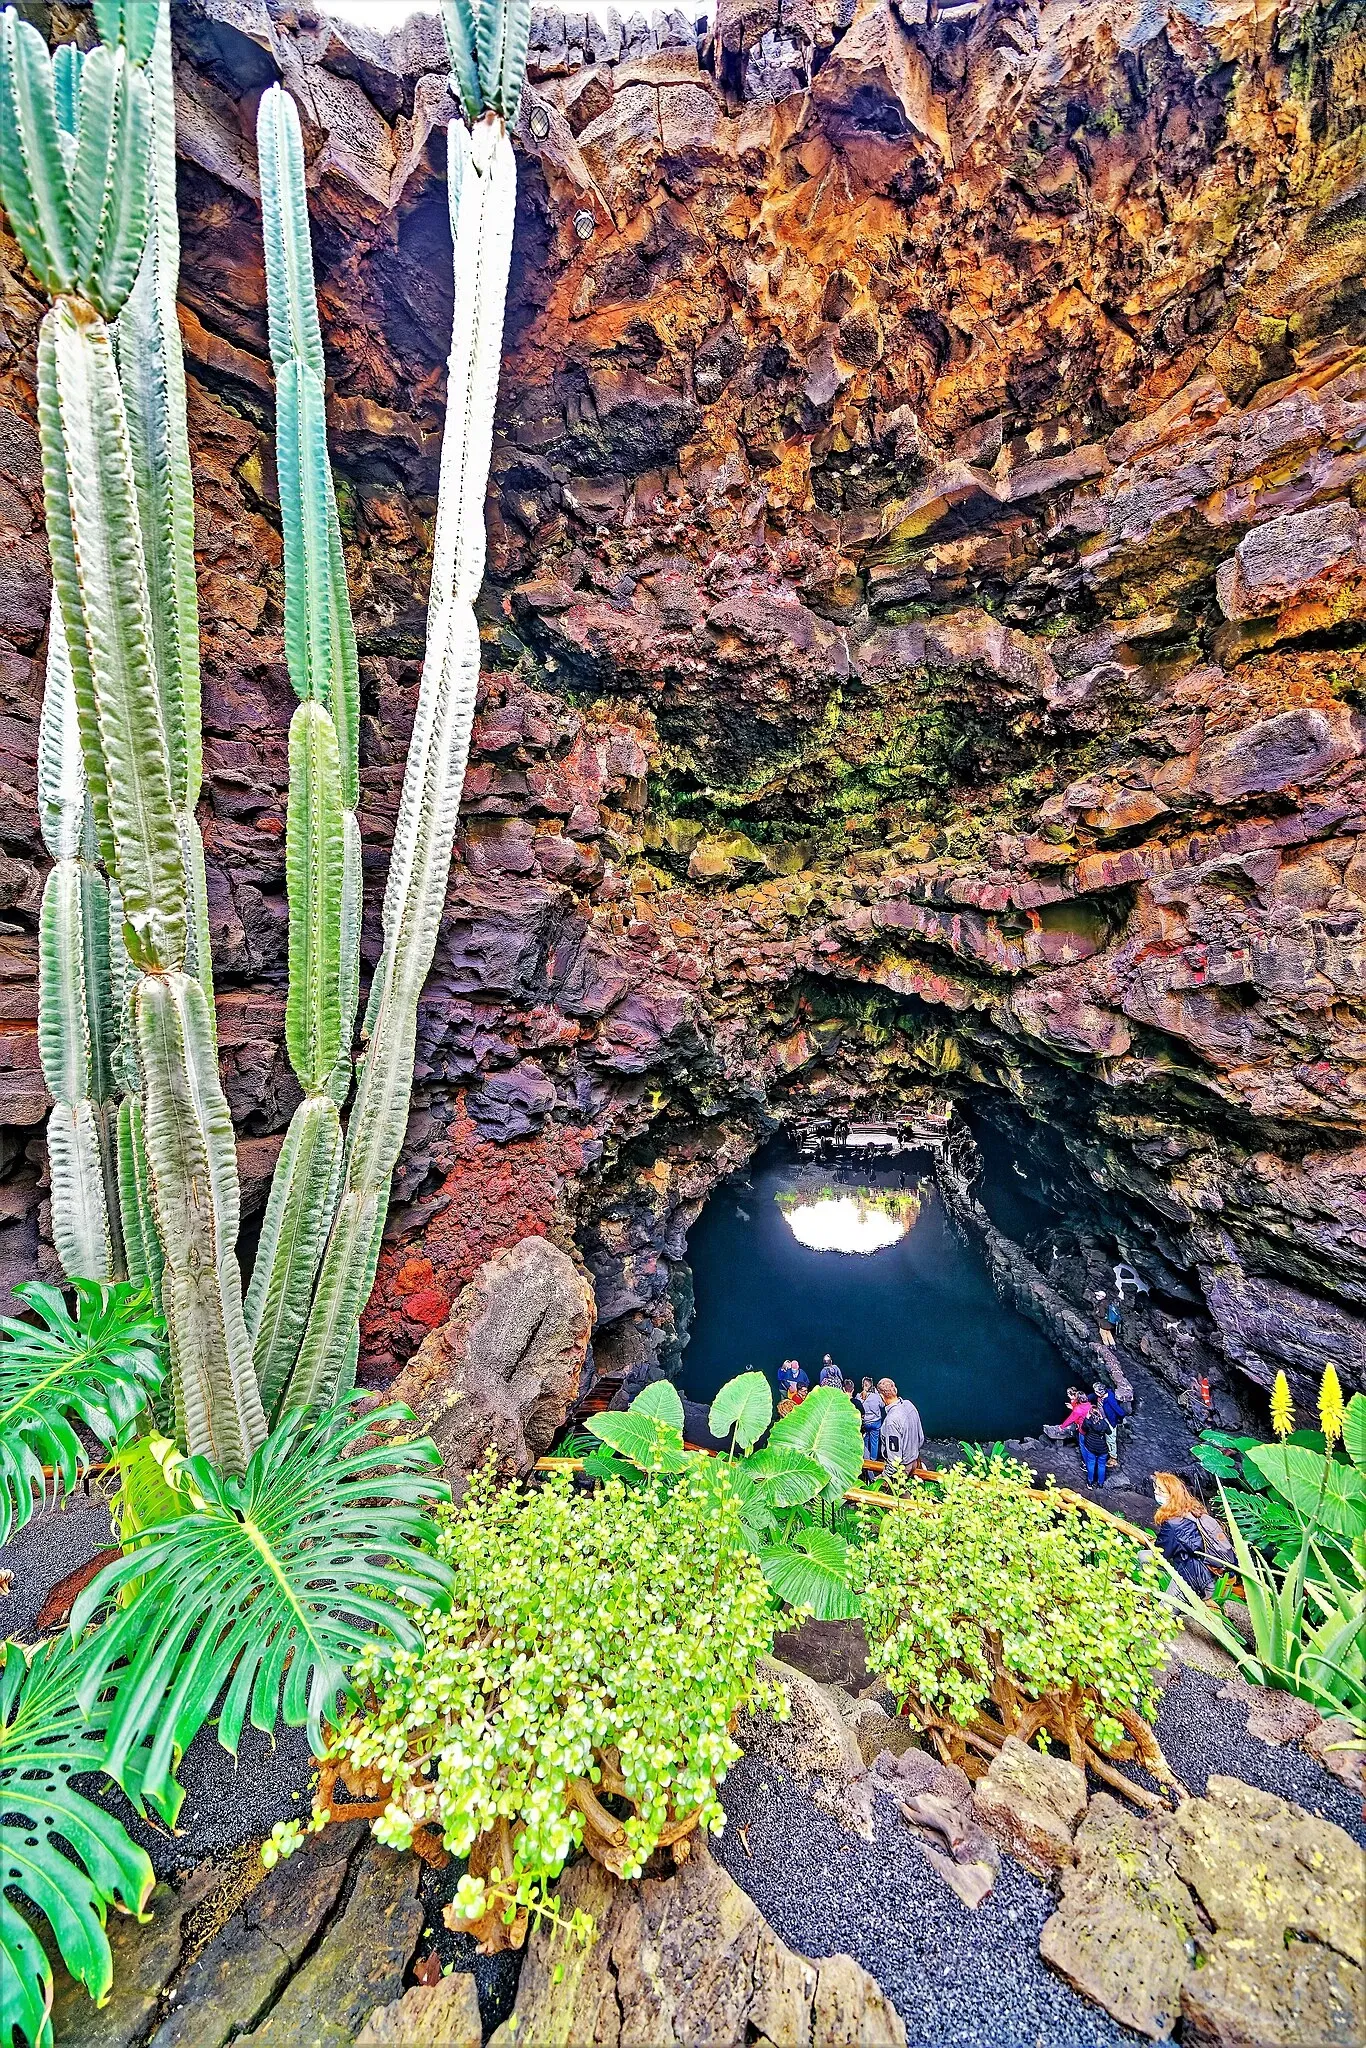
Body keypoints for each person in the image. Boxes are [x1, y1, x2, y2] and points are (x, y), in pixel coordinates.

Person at [1152, 1473, 1236, 1596]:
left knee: (1163, 1612)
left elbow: (1161, 1553)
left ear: (1173, 1496)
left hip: (1195, 1578)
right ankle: (1152, 1592)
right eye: (1156, 1488)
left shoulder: (1173, 1523)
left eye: (1161, 1491)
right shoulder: (1193, 1510)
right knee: (1145, 1556)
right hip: (1210, 1573)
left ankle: (1153, 1593)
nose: (1156, 1492)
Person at [879, 1377, 924, 1473]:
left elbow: (894, 1459)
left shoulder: (891, 1421)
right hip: (915, 1462)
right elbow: (921, 1438)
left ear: (882, 1397)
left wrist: (885, 1477)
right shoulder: (910, 1405)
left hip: (902, 1470)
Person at [1092, 1381, 1128, 1466]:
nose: (1095, 1393)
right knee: (1105, 1436)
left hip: (1109, 1421)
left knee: (1111, 1439)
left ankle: (1113, 1458)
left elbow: (1119, 1411)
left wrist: (1120, 1419)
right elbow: (1093, 1396)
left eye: (1095, 1391)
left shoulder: (1110, 1399)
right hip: (1103, 1419)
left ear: (1099, 1393)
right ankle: (1107, 1452)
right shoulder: (1104, 1394)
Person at [1079, 1401, 1111, 1487]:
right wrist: (1102, 1420)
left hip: (1090, 1446)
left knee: (1091, 1463)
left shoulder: (1088, 1422)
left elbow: (1083, 1429)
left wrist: (1086, 1418)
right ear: (1099, 1414)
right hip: (1102, 1448)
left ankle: (1090, 1482)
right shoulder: (1104, 1423)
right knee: (1101, 1465)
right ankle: (1100, 1483)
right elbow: (1109, 1432)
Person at [858, 1377, 885, 1462]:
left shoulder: (858, 1396)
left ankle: (866, 1458)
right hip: (876, 1422)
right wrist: (877, 1393)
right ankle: (873, 1460)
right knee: (875, 1441)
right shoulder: (875, 1397)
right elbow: (882, 1405)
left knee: (865, 1440)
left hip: (865, 1423)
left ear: (863, 1385)